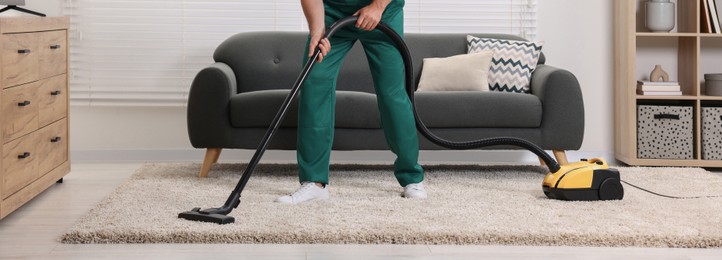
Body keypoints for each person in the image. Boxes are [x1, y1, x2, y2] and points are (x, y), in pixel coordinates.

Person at [276, 0, 426, 204]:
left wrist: (378, 7)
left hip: (383, 15)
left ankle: (412, 178)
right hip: (332, 13)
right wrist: (317, 31)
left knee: (392, 93)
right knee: (314, 83)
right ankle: (314, 182)